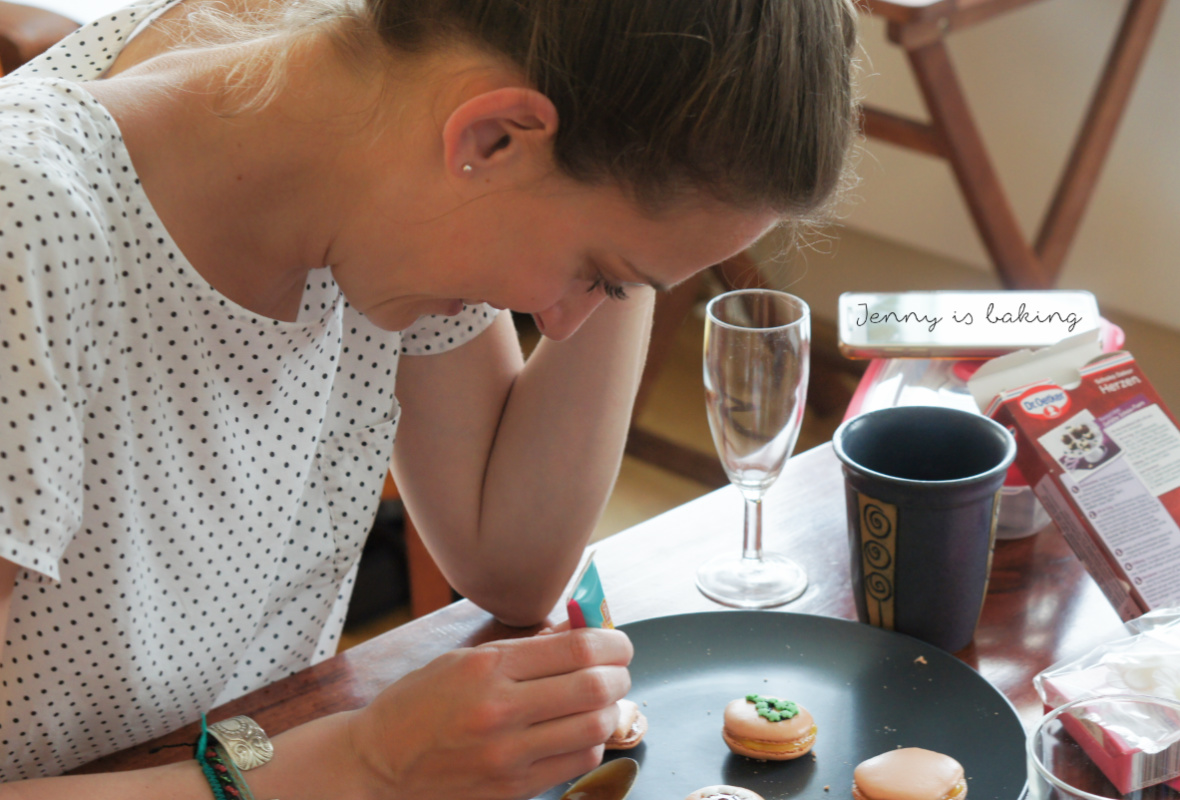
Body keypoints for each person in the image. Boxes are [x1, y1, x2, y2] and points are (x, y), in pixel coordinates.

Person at [0, 0, 858, 794]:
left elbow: (511, 559)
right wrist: (365, 761)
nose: (562, 325)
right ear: (491, 137)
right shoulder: (28, 224)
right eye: (598, 275)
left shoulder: (385, 131)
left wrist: (640, 242)